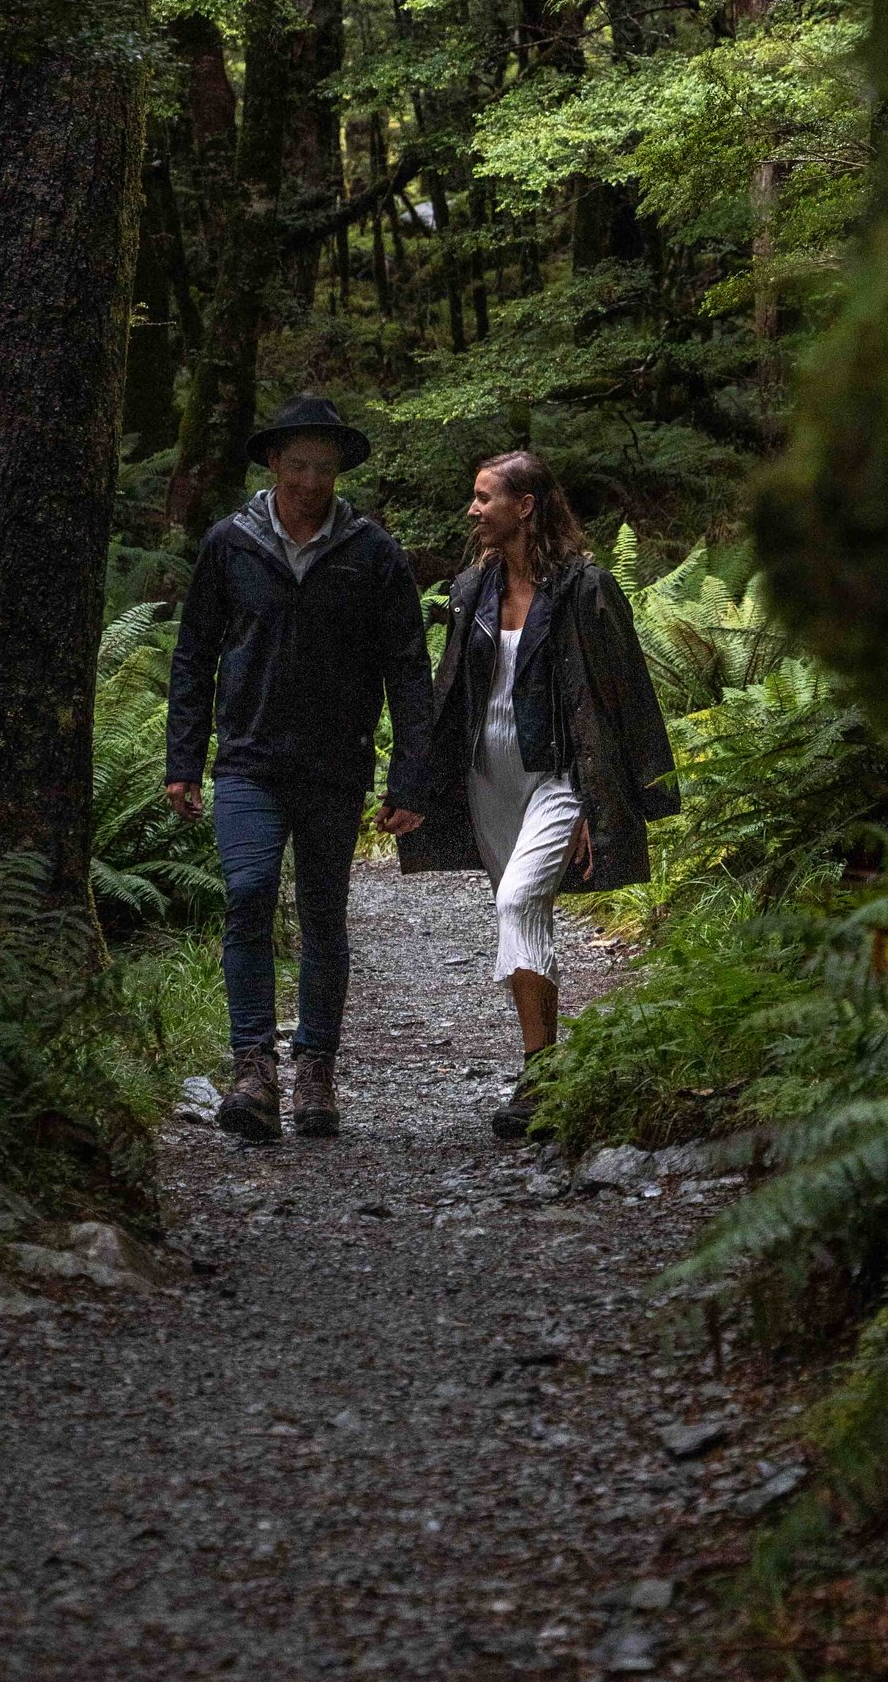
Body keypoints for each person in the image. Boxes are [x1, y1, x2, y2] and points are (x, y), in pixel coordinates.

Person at [165, 395, 433, 1146]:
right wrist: (182, 759)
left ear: (339, 469)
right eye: (299, 464)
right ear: (274, 463)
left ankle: (316, 1068)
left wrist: (410, 779)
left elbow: (408, 668)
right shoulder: (230, 543)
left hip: (334, 765)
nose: (313, 479)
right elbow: (193, 656)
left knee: (323, 915)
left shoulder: (372, 551)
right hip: (248, 759)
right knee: (248, 895)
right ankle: (253, 1067)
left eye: (325, 466)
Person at [400, 450, 680, 1138]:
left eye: (484, 497)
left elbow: (622, 695)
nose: (473, 510)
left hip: (555, 775)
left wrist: (611, 796)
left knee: (518, 899)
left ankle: (537, 1070)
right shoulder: (471, 589)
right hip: (485, 777)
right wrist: (414, 784)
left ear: (524, 506)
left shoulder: (586, 589)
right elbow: (450, 696)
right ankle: (543, 1074)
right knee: (526, 916)